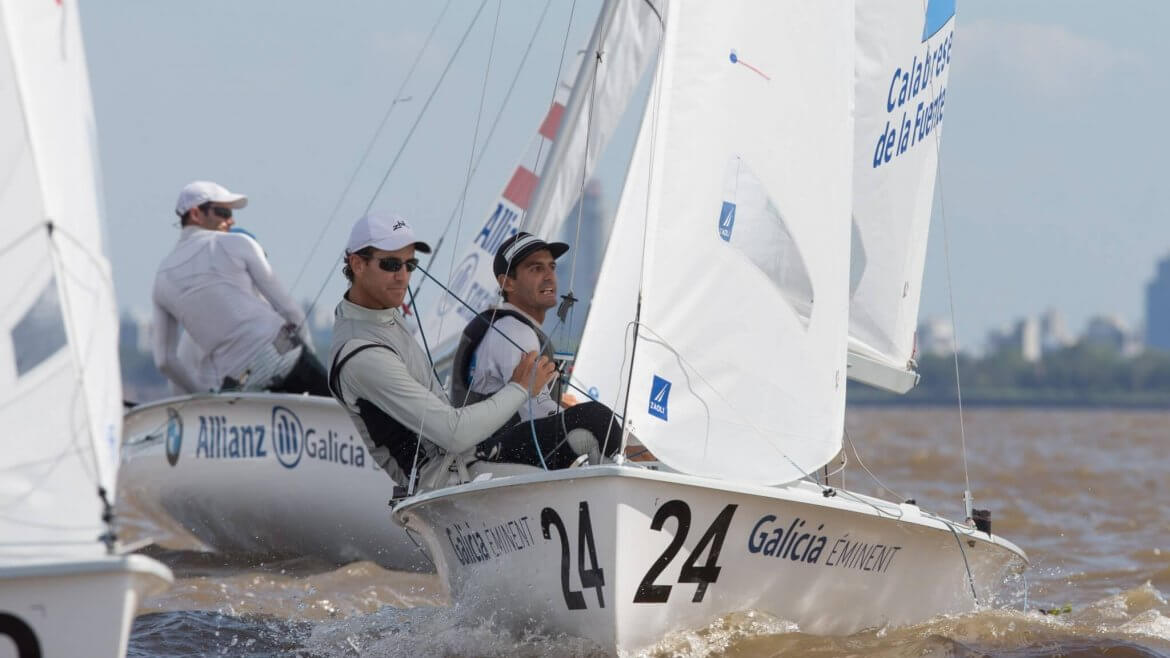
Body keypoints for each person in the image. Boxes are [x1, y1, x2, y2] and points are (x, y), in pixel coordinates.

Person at [328, 213, 614, 484]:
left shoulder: (379, 311)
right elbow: (454, 434)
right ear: (357, 264)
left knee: (597, 423)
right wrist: (520, 387)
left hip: (473, 455)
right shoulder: (362, 355)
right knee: (590, 438)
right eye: (391, 265)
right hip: (446, 481)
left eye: (410, 265)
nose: (403, 277)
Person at [450, 232, 623, 464]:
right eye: (536, 269)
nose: (550, 277)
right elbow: (534, 410)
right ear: (507, 282)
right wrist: (627, 444)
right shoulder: (514, 331)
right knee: (598, 420)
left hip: (484, 448)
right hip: (490, 456)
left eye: (551, 267)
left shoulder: (502, 324)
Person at [152, 180, 329, 396]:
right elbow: (289, 309)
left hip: (235, 381)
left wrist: (200, 394)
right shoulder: (238, 243)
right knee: (344, 417)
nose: (231, 220)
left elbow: (164, 360)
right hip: (283, 356)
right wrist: (307, 356)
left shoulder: (161, 278)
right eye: (223, 212)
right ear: (196, 214)